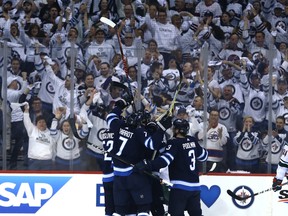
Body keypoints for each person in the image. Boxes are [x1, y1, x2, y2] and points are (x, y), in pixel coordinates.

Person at [134, 118, 208, 216]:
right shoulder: (193, 141)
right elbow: (204, 156)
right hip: (195, 188)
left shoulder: (174, 143)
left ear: (177, 130)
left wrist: (148, 165)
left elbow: (165, 160)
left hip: (180, 188)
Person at [23, 104, 54, 171]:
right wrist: (26, 111)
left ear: (46, 123)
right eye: (39, 122)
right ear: (36, 124)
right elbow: (26, 121)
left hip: (47, 161)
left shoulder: (51, 133)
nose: (41, 124)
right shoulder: (32, 130)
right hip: (34, 161)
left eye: (43, 122)